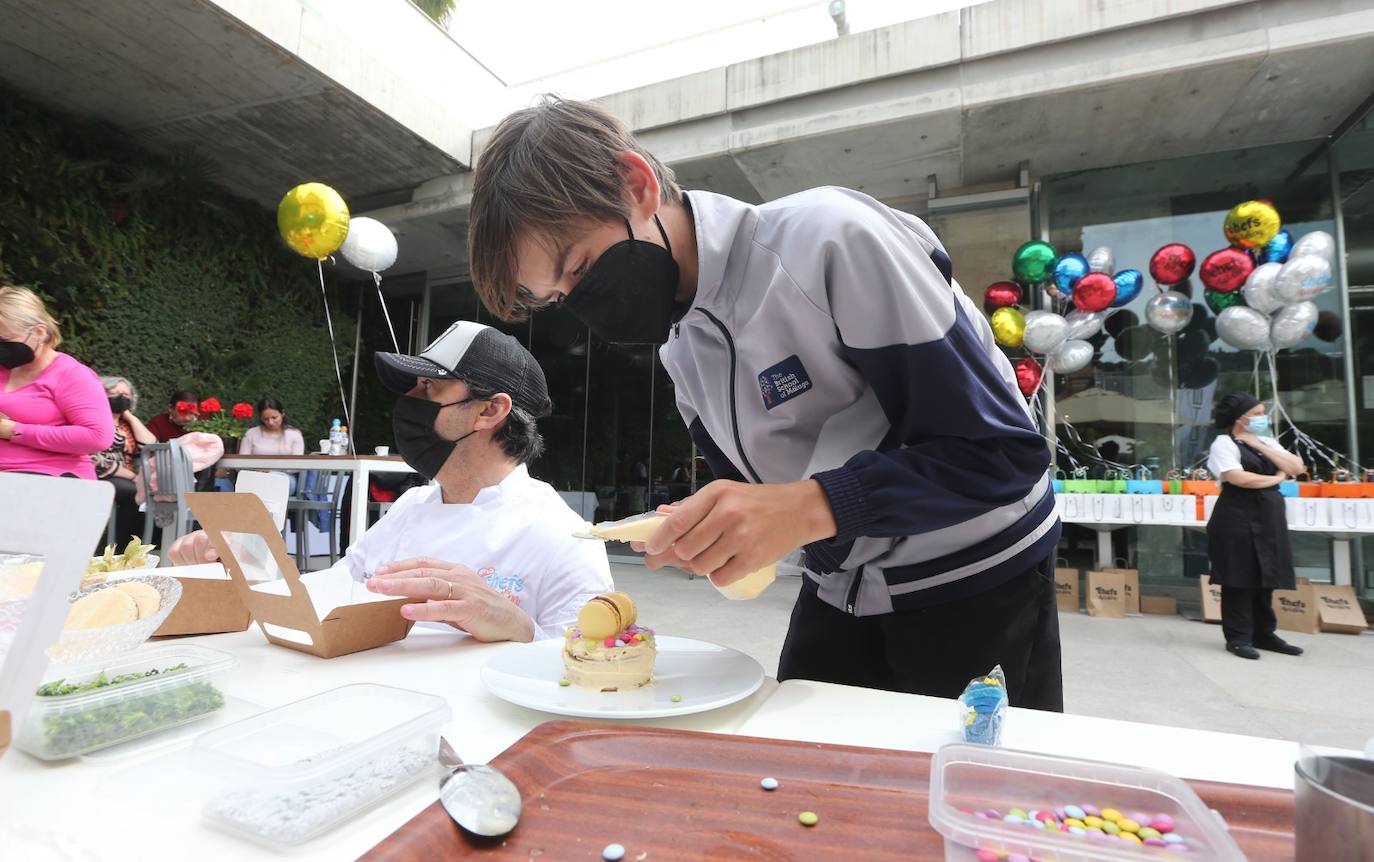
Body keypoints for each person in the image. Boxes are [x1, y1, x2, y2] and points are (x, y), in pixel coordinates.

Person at [465, 97, 1062, 707]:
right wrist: (714, 533)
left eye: (581, 267)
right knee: (796, 780)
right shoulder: (683, 353)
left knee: (970, 794)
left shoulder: (830, 240)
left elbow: (1001, 455)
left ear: (635, 183)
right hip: (840, 588)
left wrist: (808, 507)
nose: (584, 301)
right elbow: (769, 508)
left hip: (979, 579)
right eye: (561, 295)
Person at [169, 321, 613, 642]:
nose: (408, 403)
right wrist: (237, 568)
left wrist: (519, 628)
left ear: (490, 411)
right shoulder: (411, 507)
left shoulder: (564, 536)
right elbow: (332, 592)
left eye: (429, 389)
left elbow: (592, 667)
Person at [1206, 392, 1307, 660]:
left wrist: (1259, 445)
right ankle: (1238, 637)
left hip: (1269, 516)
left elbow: (1296, 466)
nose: (1264, 418)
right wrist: (1275, 479)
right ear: (1241, 418)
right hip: (1236, 516)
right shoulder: (1223, 443)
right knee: (1239, 576)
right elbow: (1238, 477)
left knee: (1267, 575)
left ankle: (1265, 634)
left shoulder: (1267, 441)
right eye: (1259, 413)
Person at [0, 285, 112, 479]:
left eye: (4, 339)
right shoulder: (3, 368)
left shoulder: (71, 374)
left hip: (48, 481)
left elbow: (98, 437)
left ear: (39, 332)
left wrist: (14, 431)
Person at [92, 375, 157, 543]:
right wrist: (134, 477)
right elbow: (95, 459)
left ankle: (132, 542)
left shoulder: (126, 425)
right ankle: (114, 546)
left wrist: (129, 416)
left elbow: (150, 446)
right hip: (101, 475)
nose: (120, 397)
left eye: (126, 395)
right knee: (137, 493)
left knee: (148, 493)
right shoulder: (93, 420)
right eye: (114, 392)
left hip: (128, 477)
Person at [238, 398, 305, 455]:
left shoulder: (294, 434)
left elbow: (297, 464)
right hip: (255, 470)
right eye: (266, 419)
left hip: (284, 471)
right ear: (261, 418)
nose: (271, 422)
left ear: (282, 414)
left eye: (274, 418)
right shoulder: (251, 433)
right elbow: (242, 461)